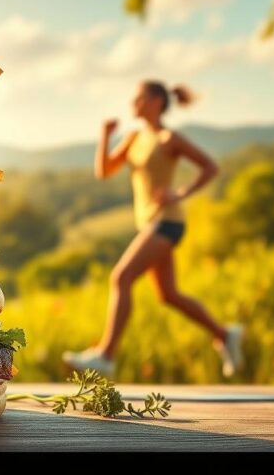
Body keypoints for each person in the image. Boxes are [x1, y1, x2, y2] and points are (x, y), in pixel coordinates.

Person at [63, 80, 244, 379]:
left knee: (121, 277)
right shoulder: (134, 137)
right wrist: (105, 136)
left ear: (157, 101)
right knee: (168, 294)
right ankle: (226, 335)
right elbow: (104, 172)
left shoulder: (168, 137)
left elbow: (210, 166)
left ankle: (106, 356)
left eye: (138, 98)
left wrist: (180, 193)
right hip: (150, 223)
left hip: (167, 222)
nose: (133, 104)